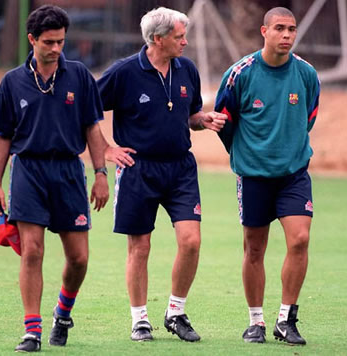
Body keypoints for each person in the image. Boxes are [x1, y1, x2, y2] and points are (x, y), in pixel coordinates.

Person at [97, 7, 226, 343]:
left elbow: (190, 114)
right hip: (138, 170)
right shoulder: (124, 72)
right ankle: (139, 319)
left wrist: (203, 120)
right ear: (158, 39)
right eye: (179, 36)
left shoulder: (187, 69)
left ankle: (175, 311)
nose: (185, 42)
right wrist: (106, 150)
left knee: (191, 242)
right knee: (140, 247)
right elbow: (85, 110)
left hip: (180, 168)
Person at [0, 5, 109, 352]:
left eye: (61, 42)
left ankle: (62, 312)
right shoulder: (12, 82)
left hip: (69, 171)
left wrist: (101, 173)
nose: (56, 49)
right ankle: (32, 330)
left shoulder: (80, 76)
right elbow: (3, 137)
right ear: (32, 40)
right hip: (28, 169)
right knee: (32, 252)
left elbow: (92, 126)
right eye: (49, 42)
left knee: (79, 258)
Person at [214, 7, 320, 345]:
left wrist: (289, 148)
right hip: (254, 176)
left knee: (300, 239)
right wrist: (247, 155)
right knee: (254, 249)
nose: (287, 35)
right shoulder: (240, 73)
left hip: (293, 175)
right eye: (280, 28)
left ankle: (286, 319)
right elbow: (223, 121)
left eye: (291, 29)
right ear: (264, 31)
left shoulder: (306, 73)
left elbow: (310, 116)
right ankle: (256, 322)